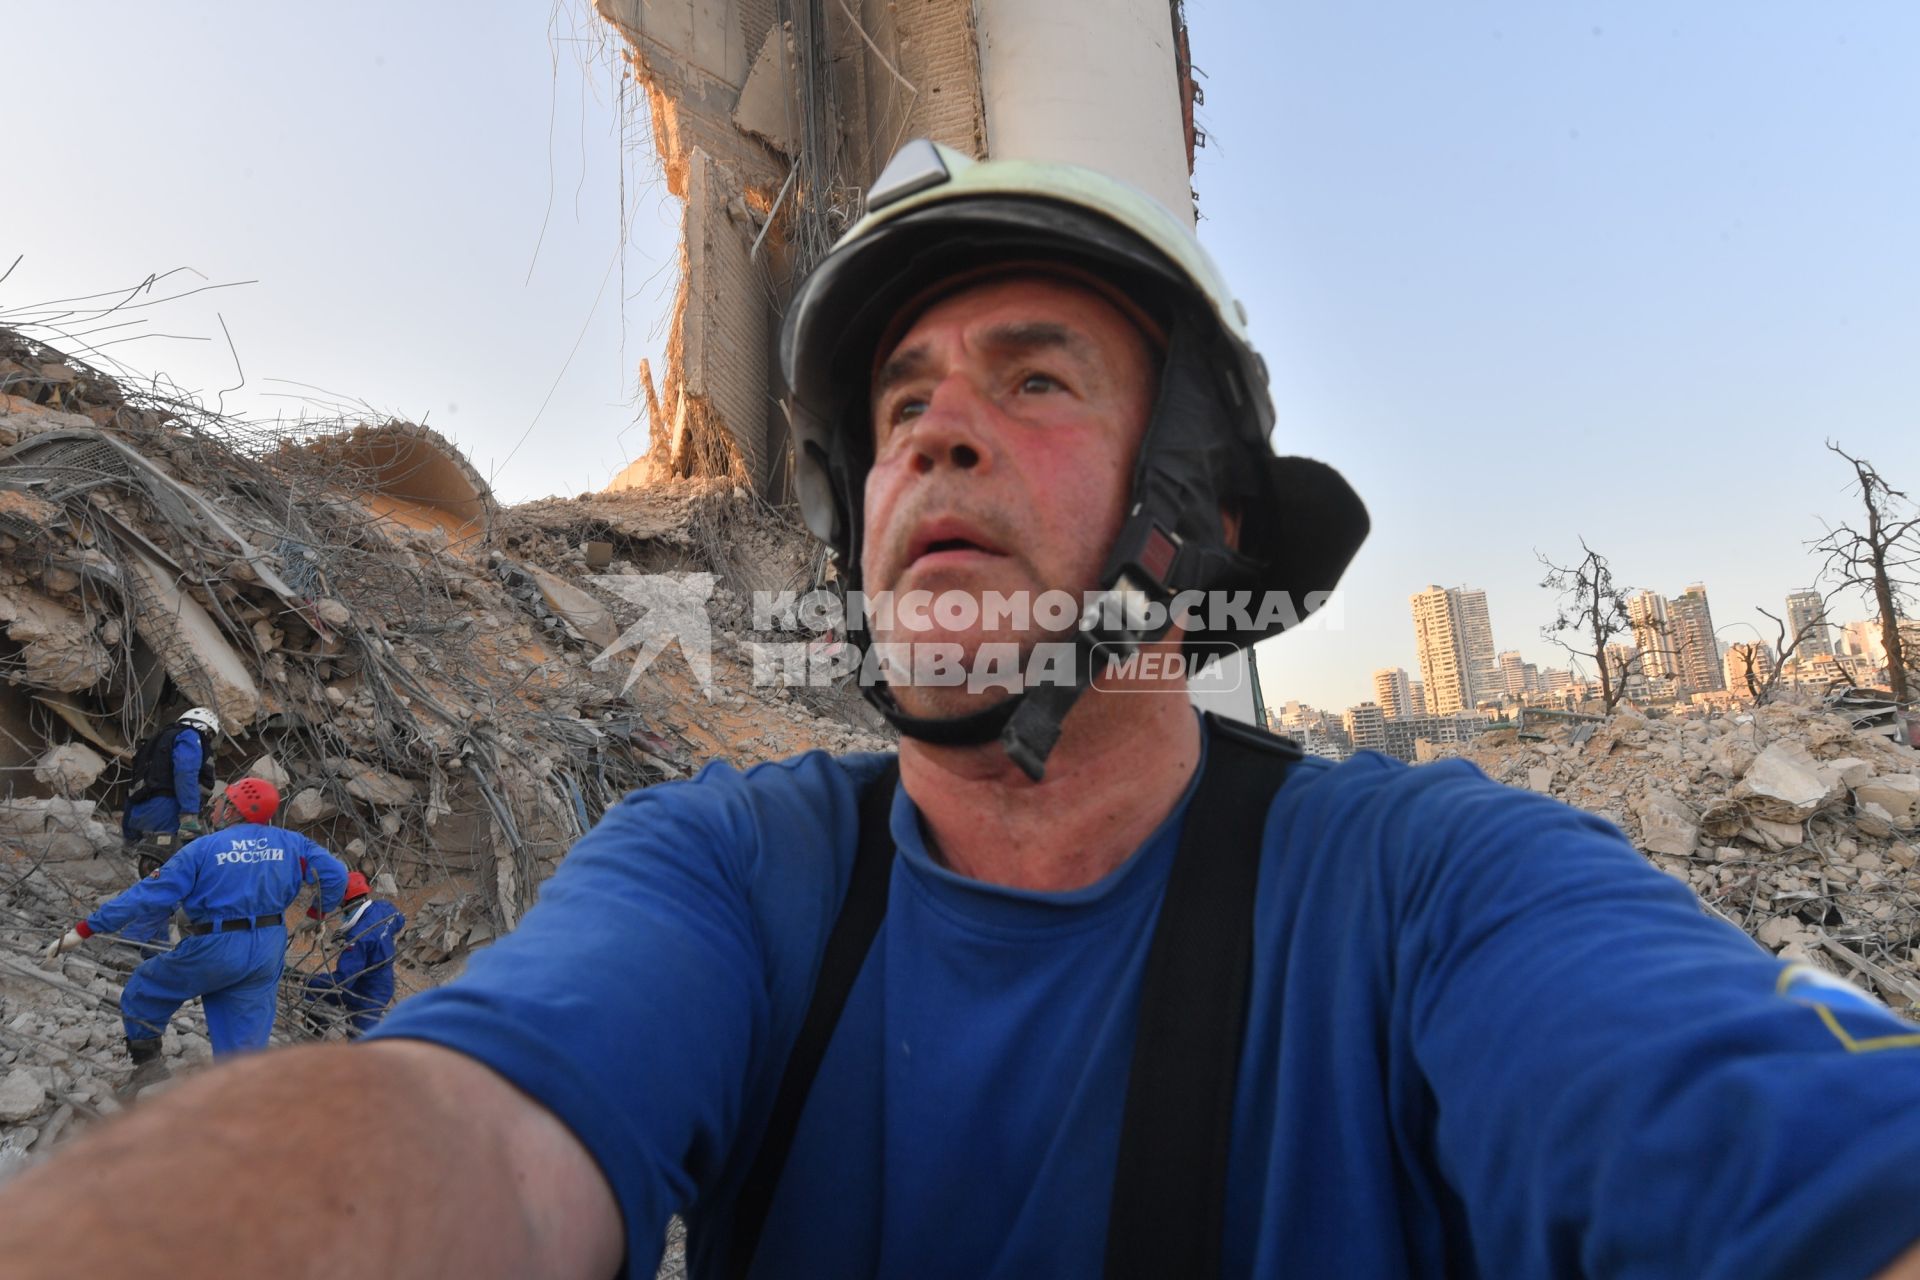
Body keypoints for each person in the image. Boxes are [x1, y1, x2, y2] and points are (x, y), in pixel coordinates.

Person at [4, 140, 1920, 1280]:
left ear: (1197, 524)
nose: (932, 429)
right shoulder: (734, 874)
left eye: (1034, 378)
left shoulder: (1433, 889)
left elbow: (1805, 1176)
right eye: (902, 399)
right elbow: (480, 1139)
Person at [45, 777, 350, 1092]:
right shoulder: (293, 843)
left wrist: (83, 931)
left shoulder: (205, 848)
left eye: (221, 801)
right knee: (243, 1040)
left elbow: (146, 895)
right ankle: (242, 1105)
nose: (214, 806)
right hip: (268, 947)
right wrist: (316, 915)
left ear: (233, 810)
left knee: (144, 988)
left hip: (217, 944)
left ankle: (148, 1072)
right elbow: (337, 874)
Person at [301, 871, 406, 1037]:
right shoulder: (383, 908)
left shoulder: (358, 938)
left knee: (359, 1037)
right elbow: (400, 921)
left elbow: (343, 981)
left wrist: (311, 980)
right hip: (383, 981)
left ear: (346, 900)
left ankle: (315, 1036)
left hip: (365, 993)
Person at [121, 706, 220, 845]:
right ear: (206, 728)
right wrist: (189, 815)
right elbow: (185, 772)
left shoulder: (159, 738)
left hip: (136, 815)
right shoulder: (190, 736)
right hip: (165, 812)